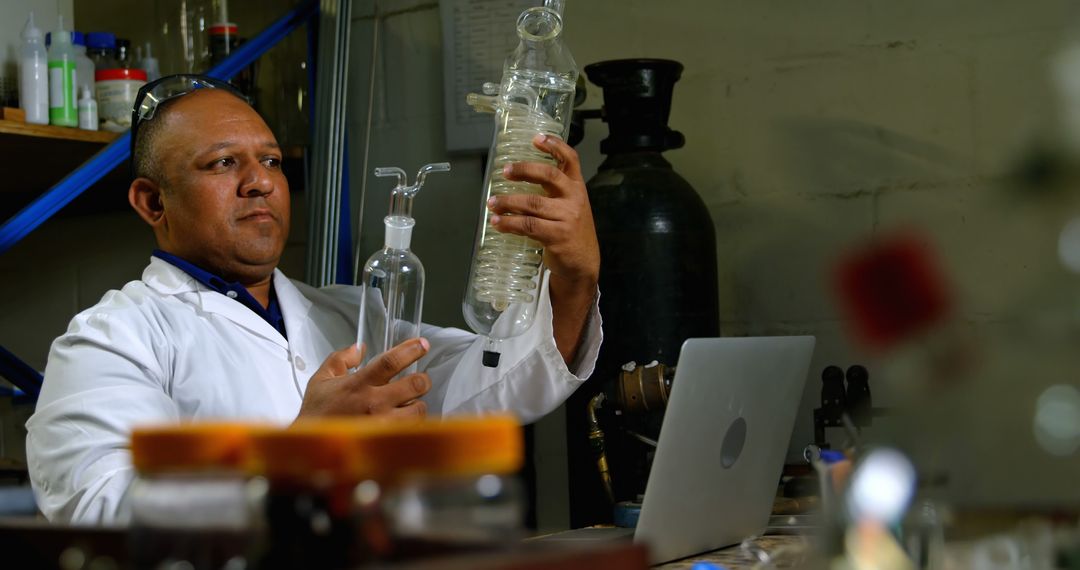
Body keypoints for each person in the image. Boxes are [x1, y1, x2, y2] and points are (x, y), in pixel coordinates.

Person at [26, 76, 602, 524]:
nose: (261, 182)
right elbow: (102, 513)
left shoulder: (351, 313)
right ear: (153, 202)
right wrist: (300, 452)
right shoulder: (109, 339)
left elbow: (501, 380)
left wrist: (574, 275)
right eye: (224, 162)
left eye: (271, 161)